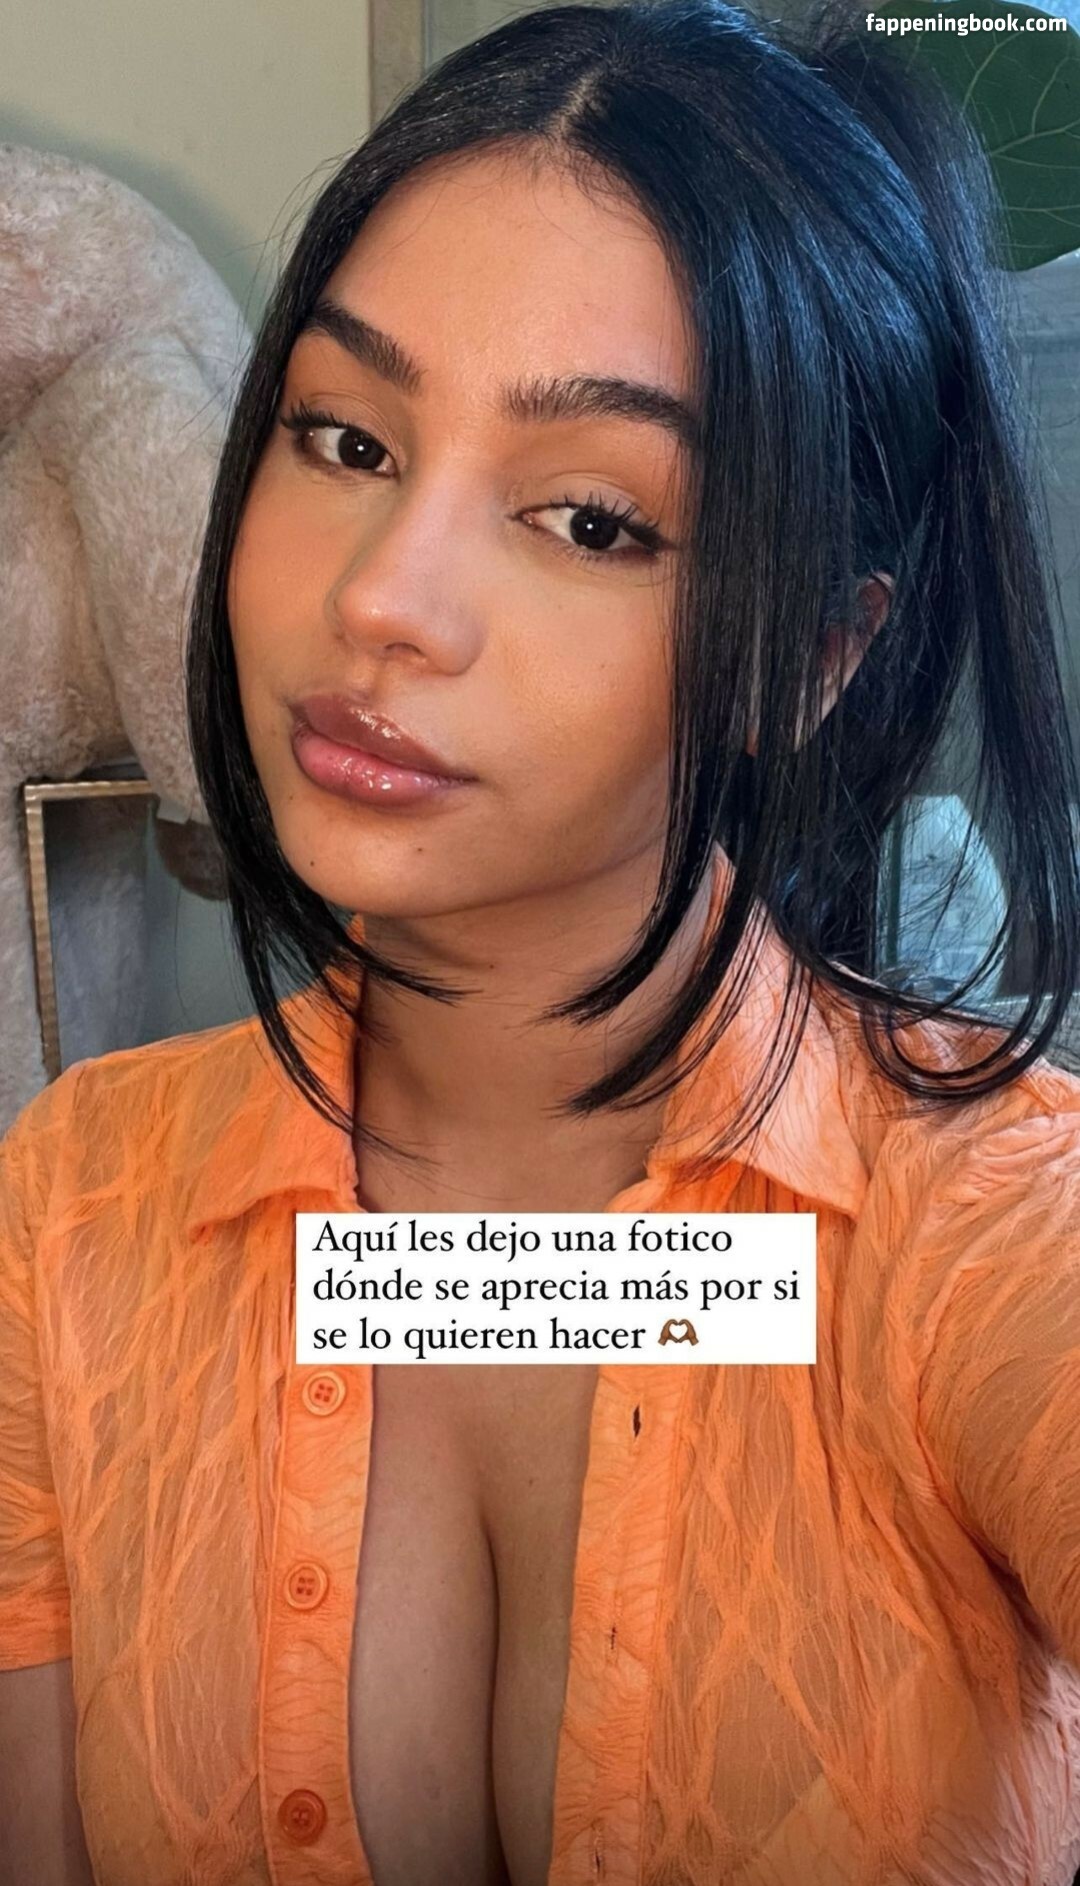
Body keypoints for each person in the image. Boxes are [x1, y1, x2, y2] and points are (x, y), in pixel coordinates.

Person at [2, 1, 1080, 1881]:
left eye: (590, 518)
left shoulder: (992, 1222)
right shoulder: (70, 1206)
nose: (384, 599)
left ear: (811, 656)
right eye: (346, 437)